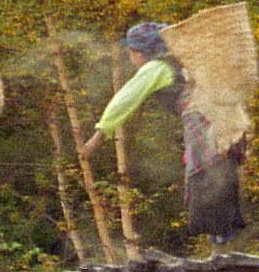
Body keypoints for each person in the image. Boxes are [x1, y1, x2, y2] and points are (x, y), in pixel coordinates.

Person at [81, 22, 248, 250]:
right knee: (221, 177)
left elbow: (126, 99)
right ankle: (226, 246)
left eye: (131, 54)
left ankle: (222, 252)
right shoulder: (181, 62)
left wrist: (99, 135)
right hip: (225, 118)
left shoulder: (156, 67)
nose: (131, 59)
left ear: (140, 53)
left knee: (208, 179)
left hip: (204, 120)